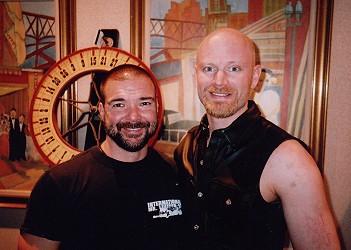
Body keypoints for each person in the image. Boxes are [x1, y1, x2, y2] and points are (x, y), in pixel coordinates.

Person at [174, 28, 340, 249]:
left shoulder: (289, 159)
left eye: (233, 69)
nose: (219, 81)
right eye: (209, 68)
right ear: (196, 75)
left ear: (254, 77)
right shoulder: (187, 144)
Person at [19, 64, 183, 250]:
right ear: (102, 111)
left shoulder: (176, 175)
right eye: (119, 104)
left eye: (144, 103)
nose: (134, 116)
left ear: (157, 107)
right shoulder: (59, 183)